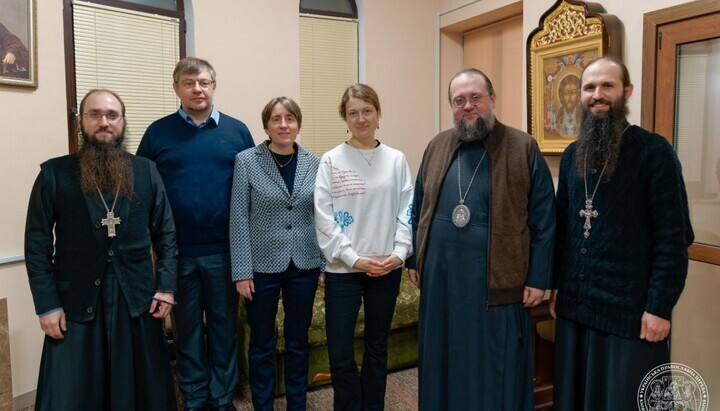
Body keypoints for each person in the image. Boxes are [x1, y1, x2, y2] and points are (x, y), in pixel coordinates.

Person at [407, 68, 556, 410]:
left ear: (492, 99)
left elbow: (545, 221)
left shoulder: (522, 147)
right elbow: (419, 208)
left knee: (492, 369)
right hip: (442, 284)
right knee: (443, 362)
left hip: (496, 285)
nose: (468, 106)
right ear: (451, 106)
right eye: (459, 100)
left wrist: (538, 278)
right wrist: (417, 258)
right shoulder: (437, 146)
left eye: (476, 97)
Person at [551, 56, 694, 410]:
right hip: (576, 308)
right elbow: (564, 229)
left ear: (626, 92)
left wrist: (659, 308)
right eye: (589, 87)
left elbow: (673, 239)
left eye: (607, 86)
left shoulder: (653, 151)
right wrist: (557, 287)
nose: (597, 95)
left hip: (632, 316)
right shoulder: (572, 155)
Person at [24, 89, 178, 410]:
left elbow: (166, 235)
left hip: (136, 298)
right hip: (76, 301)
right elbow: (37, 246)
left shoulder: (146, 171)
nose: (103, 122)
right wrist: (47, 305)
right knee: (75, 394)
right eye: (94, 115)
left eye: (111, 115)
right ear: (82, 122)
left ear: (122, 122)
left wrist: (165, 287)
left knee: (138, 392)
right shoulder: (54, 173)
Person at [137, 57, 254, 411]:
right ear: (177, 88)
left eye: (203, 82)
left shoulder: (237, 132)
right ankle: (196, 398)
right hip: (176, 254)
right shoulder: (158, 132)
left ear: (214, 86)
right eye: (189, 83)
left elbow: (253, 189)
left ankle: (222, 399)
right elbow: (142, 188)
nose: (197, 89)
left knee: (223, 332)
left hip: (225, 252)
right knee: (186, 332)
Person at [314, 83, 413, 411]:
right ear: (344, 117)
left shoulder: (396, 160)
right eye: (353, 112)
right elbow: (324, 218)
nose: (361, 118)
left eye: (367, 111)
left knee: (376, 348)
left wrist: (399, 254)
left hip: (386, 268)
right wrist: (355, 260)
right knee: (340, 353)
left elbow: (407, 212)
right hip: (343, 271)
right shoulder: (331, 160)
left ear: (378, 113)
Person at [230, 97, 323, 411]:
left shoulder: (314, 162)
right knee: (261, 344)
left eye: (290, 119)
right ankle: (263, 406)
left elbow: (322, 215)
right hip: (261, 267)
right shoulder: (247, 160)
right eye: (276, 119)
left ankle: (297, 405)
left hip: (305, 263)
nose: (284, 125)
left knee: (298, 343)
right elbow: (239, 217)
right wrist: (242, 272)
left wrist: (323, 263)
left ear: (298, 124)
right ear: (266, 125)